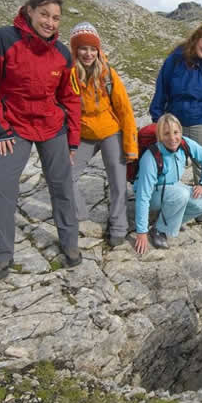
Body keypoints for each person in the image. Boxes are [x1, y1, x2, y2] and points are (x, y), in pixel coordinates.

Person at [0, 0, 81, 282]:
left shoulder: (62, 53)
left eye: (56, 17)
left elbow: (70, 97)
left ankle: (70, 244)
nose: (50, 22)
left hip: (52, 127)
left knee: (61, 188)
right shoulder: (2, 38)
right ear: (30, 11)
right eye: (45, 14)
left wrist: (73, 140)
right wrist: (0, 130)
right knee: (1, 190)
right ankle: (0, 258)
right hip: (15, 127)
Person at [68, 22, 138, 247]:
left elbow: (125, 111)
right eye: (83, 48)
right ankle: (80, 216)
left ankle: (118, 226)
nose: (88, 53)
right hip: (83, 134)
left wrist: (130, 146)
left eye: (92, 49)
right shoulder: (68, 75)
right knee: (65, 176)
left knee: (118, 182)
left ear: (98, 50)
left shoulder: (108, 75)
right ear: (75, 50)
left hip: (110, 131)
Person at [148, 24, 202, 185]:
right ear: (196, 40)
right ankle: (169, 201)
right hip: (174, 123)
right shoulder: (175, 60)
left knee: (201, 165)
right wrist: (157, 118)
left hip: (201, 124)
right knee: (170, 163)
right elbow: (161, 88)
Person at [133, 113, 202, 254]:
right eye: (166, 134)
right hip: (152, 194)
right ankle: (158, 231)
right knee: (181, 194)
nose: (172, 138)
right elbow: (143, 197)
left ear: (180, 132)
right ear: (159, 136)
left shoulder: (185, 143)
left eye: (176, 132)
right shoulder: (151, 157)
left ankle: (169, 223)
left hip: (172, 188)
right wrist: (141, 232)